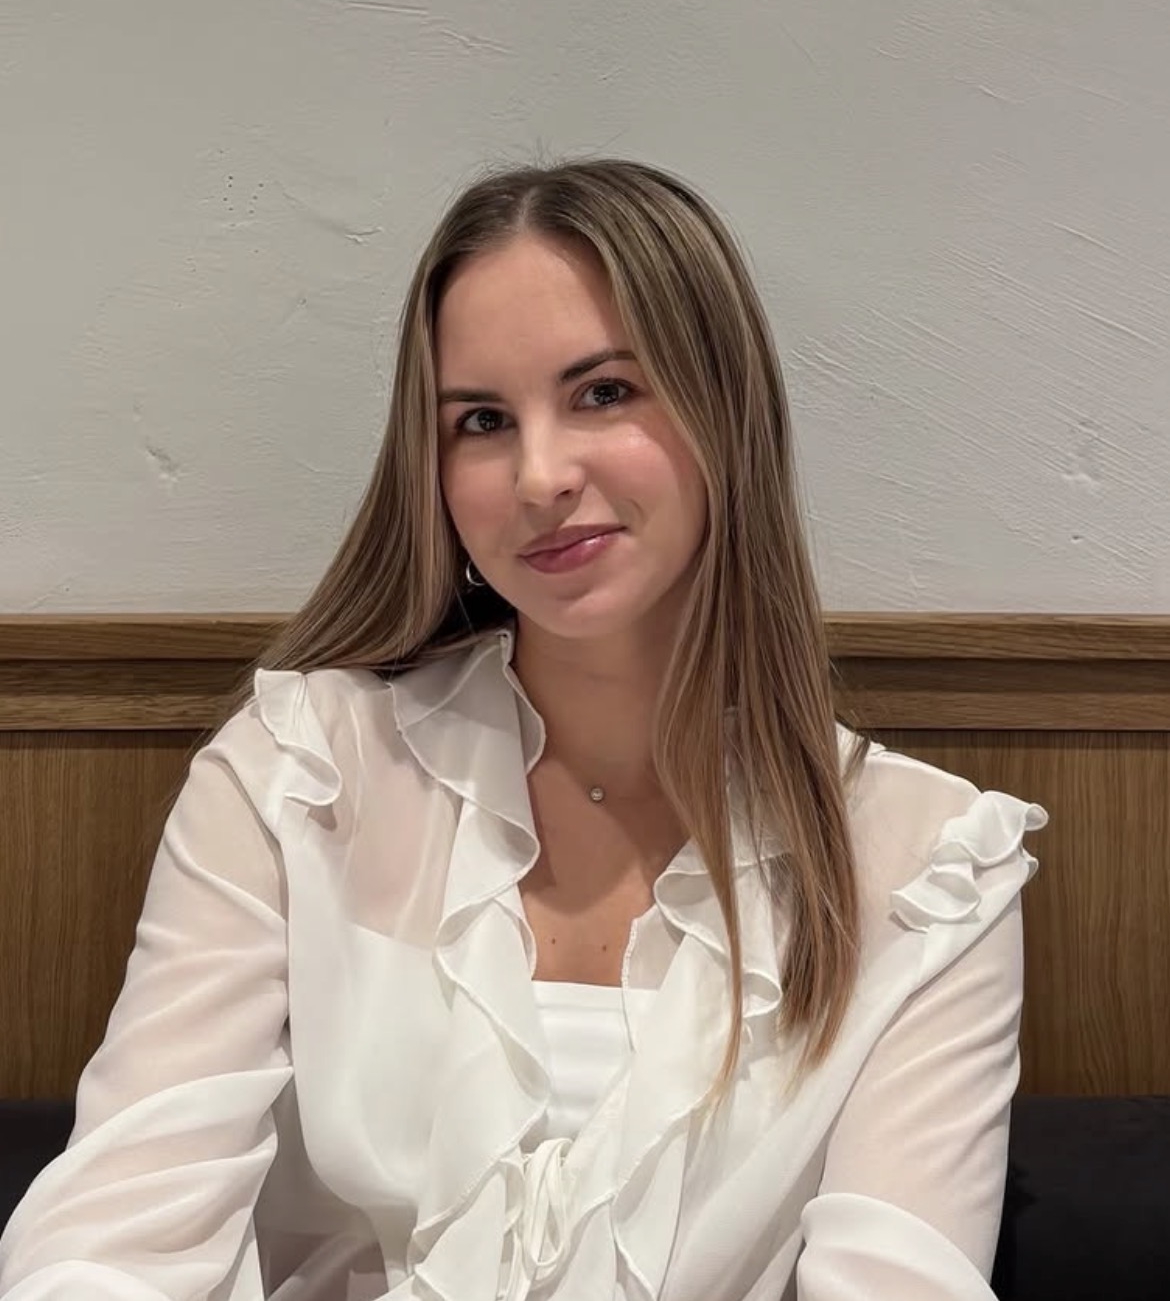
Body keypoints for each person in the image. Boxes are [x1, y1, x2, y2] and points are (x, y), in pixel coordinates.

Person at [0, 156, 1046, 1301]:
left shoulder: (929, 872)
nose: (540, 475)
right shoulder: (300, 772)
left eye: (604, 392)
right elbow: (120, 1222)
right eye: (483, 421)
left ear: (725, 410)